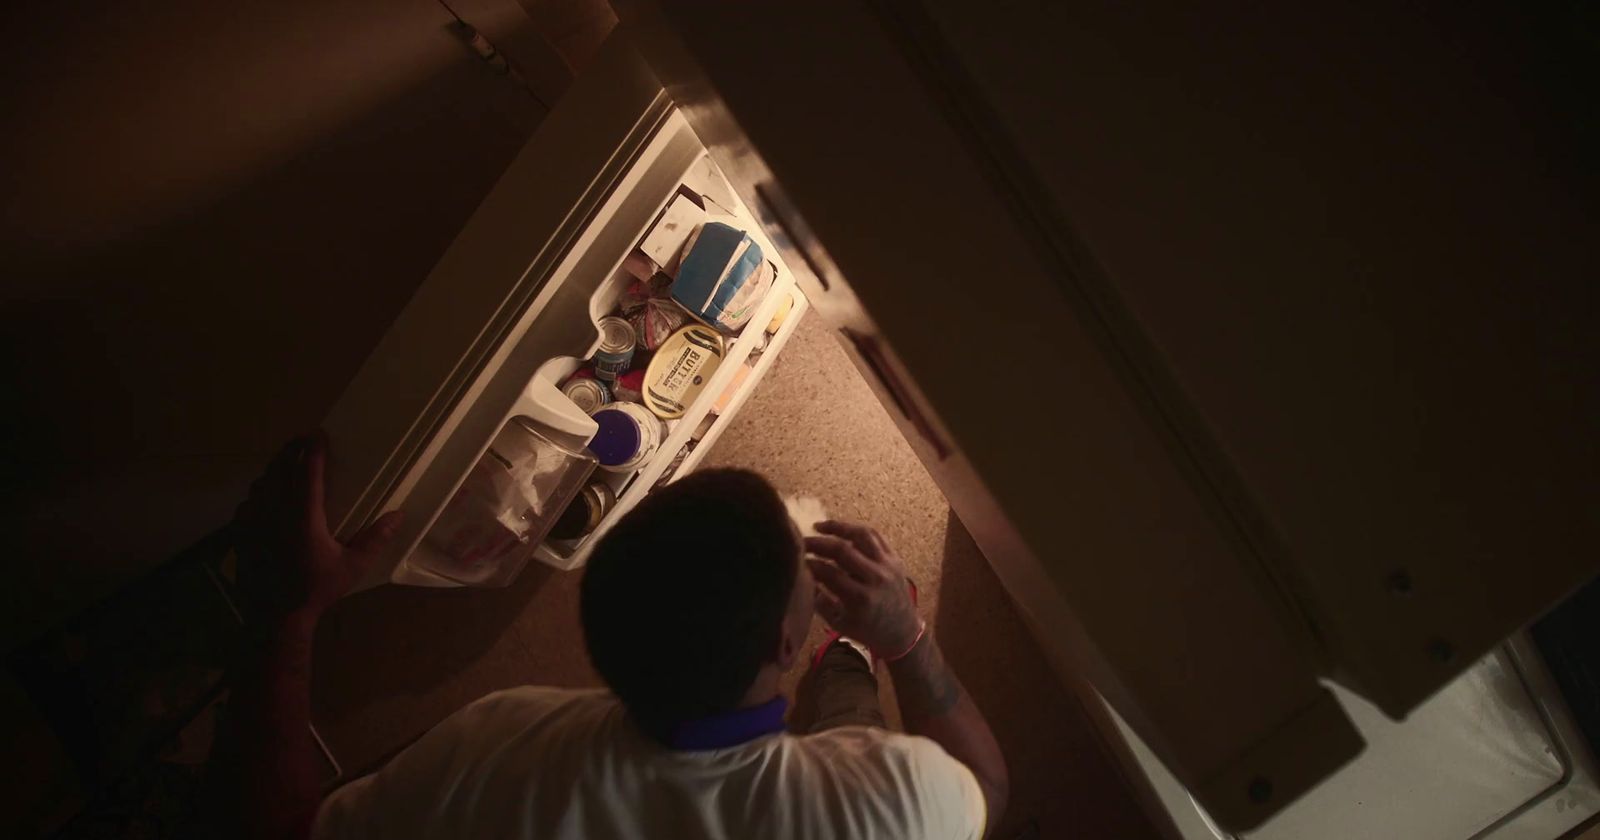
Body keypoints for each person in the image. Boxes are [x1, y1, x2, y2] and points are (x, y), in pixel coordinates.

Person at [219, 434, 1007, 839]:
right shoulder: (883, 800)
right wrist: (906, 639)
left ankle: (845, 658)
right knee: (852, 726)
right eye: (811, 598)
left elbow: (284, 830)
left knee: (847, 727)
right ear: (781, 646)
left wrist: (291, 611)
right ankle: (858, 656)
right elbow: (984, 791)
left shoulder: (499, 734)